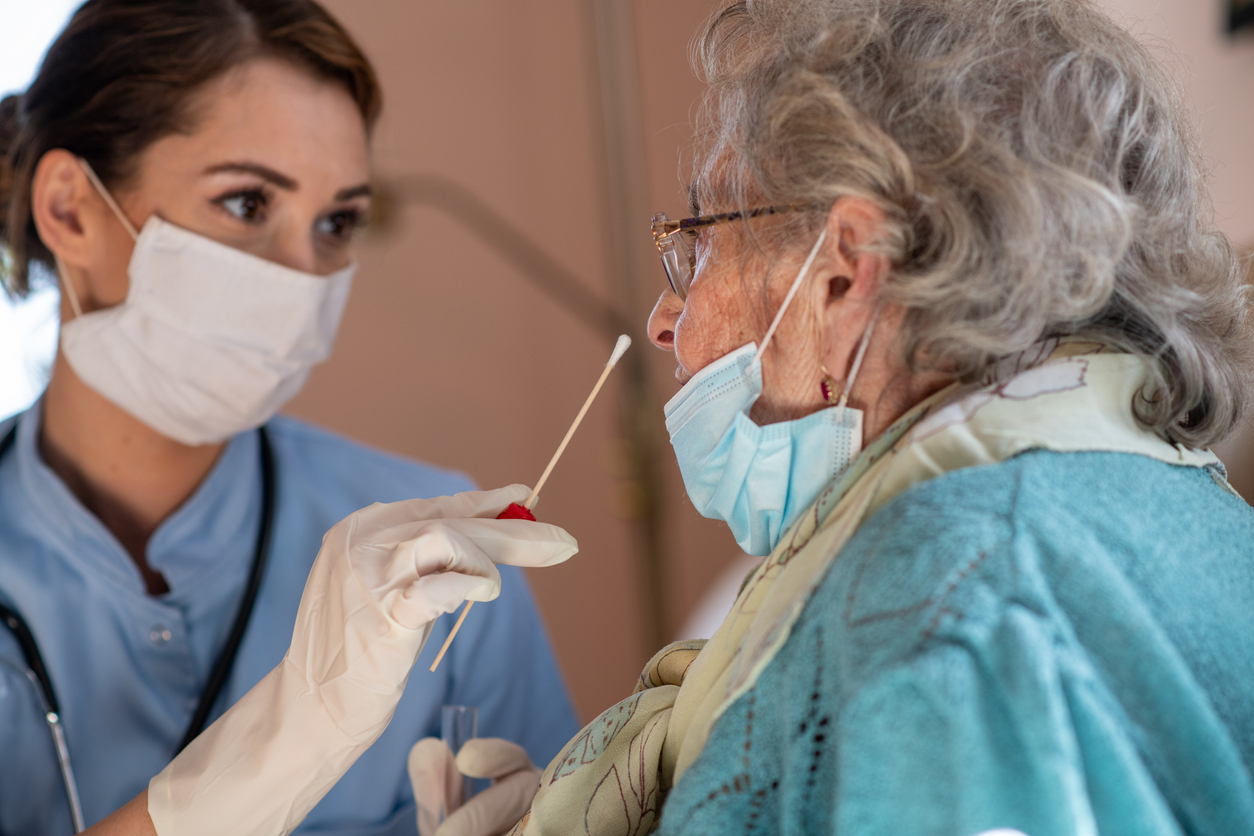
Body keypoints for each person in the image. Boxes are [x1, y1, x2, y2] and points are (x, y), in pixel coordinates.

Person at [412, 0, 1254, 834]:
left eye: (699, 246)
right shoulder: (1195, 514)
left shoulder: (943, 606)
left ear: (846, 275)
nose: (664, 320)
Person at [0, 1, 579, 833]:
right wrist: (288, 745)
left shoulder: (440, 562)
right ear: (70, 210)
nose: (303, 276)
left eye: (337, 222)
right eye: (245, 204)